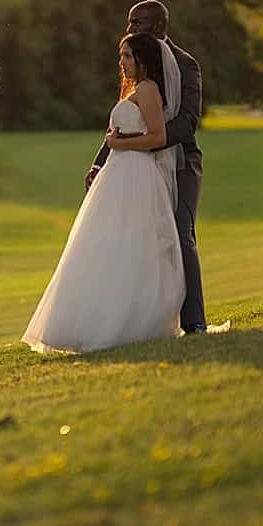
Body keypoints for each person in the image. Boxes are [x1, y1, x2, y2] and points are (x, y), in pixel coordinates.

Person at [20, 32, 187, 353]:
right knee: (104, 242)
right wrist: (112, 149)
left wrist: (118, 143)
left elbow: (157, 137)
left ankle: (126, 322)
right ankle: (88, 320)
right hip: (119, 174)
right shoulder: (136, 91)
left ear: (143, 59)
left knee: (129, 243)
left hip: (136, 175)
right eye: (121, 55)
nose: (121, 62)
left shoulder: (149, 90)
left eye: (127, 56)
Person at [88, 0, 208, 334]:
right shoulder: (135, 64)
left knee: (181, 233)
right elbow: (123, 123)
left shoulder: (186, 64)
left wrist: (149, 143)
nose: (130, 30)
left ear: (158, 27)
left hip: (181, 162)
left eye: (137, 24)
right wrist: (101, 163)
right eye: (129, 23)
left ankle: (194, 322)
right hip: (136, 166)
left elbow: (187, 122)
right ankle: (143, 320)